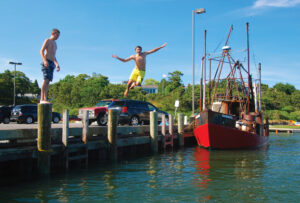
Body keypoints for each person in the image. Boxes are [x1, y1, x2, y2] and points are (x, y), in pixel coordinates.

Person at [40, 28, 61, 103]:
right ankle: (42, 99)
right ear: (53, 33)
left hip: (52, 63)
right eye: (57, 35)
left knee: (48, 81)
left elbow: (53, 55)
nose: (58, 37)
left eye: (59, 36)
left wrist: (57, 64)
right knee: (45, 80)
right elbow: (41, 51)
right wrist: (45, 61)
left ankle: (45, 98)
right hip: (47, 61)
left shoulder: (55, 44)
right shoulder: (47, 40)